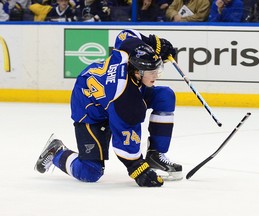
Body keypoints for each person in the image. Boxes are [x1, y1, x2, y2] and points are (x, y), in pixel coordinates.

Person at [34, 29, 182, 187]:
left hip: (109, 95)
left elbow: (125, 35)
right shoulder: (124, 98)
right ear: (138, 72)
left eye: (157, 69)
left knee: (164, 96)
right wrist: (138, 168)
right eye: (152, 72)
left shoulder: (128, 52)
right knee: (90, 172)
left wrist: (154, 43)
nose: (157, 75)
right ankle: (56, 152)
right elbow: (124, 141)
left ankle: (155, 155)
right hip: (90, 109)